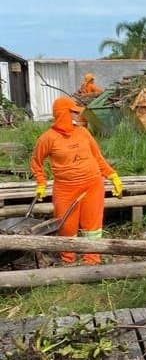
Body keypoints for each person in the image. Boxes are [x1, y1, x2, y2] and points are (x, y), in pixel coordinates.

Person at [31, 97, 122, 265]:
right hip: (65, 189)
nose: (75, 115)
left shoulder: (83, 132)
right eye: (71, 112)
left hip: (93, 185)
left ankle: (92, 260)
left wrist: (112, 175)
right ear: (61, 114)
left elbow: (97, 158)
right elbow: (36, 162)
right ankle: (68, 260)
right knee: (66, 227)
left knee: (92, 227)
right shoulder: (47, 138)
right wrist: (41, 183)